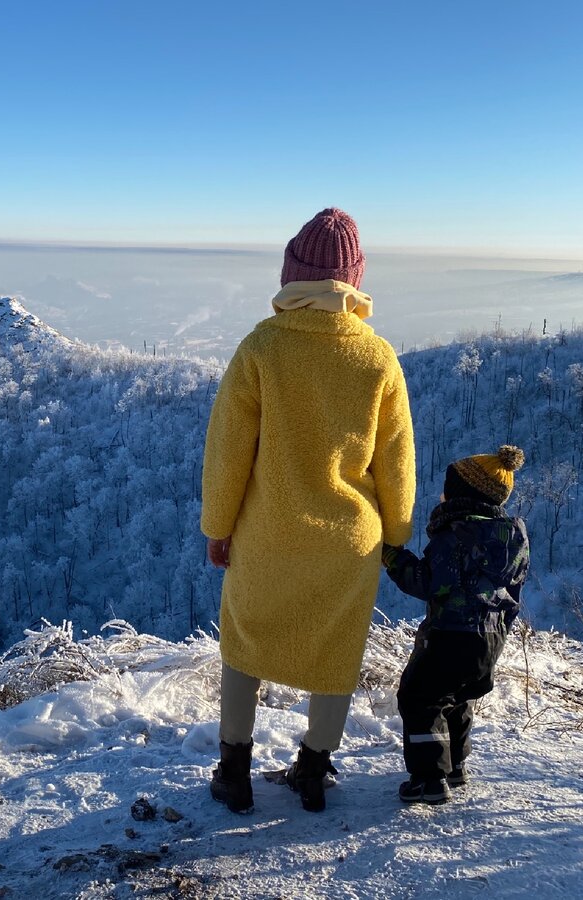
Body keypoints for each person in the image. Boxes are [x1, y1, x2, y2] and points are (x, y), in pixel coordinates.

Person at [201, 208, 416, 813]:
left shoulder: (261, 349)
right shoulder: (378, 359)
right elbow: (396, 461)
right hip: (350, 541)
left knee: (244, 645)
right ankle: (314, 770)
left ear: (292, 276)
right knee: (334, 652)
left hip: (268, 534)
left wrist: (218, 526)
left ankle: (234, 773)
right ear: (354, 281)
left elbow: (227, 453)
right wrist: (396, 533)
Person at [382, 445, 530, 804]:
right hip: (490, 637)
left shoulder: (456, 536)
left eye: (448, 488)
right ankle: (455, 766)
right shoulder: (514, 539)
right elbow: (514, 592)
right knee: (459, 697)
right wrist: (499, 630)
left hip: (450, 634)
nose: (441, 494)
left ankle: (429, 779)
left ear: (464, 494)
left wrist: (392, 557)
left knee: (420, 699)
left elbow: (427, 581)